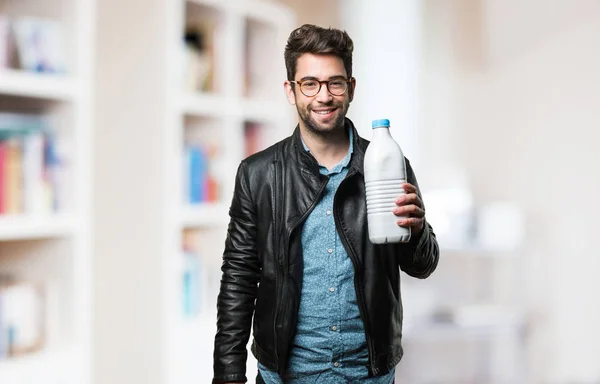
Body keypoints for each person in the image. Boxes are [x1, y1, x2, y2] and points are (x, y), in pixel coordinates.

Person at [213, 24, 439, 384]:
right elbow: (238, 281)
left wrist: (416, 230)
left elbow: (422, 266)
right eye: (310, 83)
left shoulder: (388, 163)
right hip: (284, 376)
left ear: (350, 88)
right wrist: (228, 376)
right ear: (291, 90)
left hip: (368, 375)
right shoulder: (257, 175)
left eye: (335, 82)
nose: (324, 96)